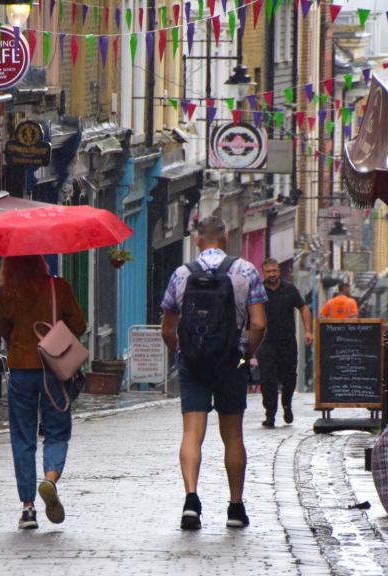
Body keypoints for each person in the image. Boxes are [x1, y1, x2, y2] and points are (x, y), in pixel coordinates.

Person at [160, 216, 267, 531]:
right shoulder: (246, 271)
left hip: (193, 363)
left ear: (197, 241)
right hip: (230, 361)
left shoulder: (181, 274)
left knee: (192, 433)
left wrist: (181, 354)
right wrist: (245, 356)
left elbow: (168, 328)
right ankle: (235, 507)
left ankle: (191, 500)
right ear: (226, 237)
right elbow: (259, 324)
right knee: (232, 435)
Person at [0, 255, 86, 530]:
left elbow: (4, 329)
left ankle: (28, 508)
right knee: (57, 430)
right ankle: (49, 479)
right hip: (53, 369)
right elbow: (80, 326)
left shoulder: (8, 291)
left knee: (23, 437)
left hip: (22, 369)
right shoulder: (57, 287)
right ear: (41, 262)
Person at [253, 258, 313, 428]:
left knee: (289, 377)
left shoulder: (290, 289)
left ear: (279, 271)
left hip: (287, 342)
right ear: (263, 273)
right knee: (267, 379)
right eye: (268, 272)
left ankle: (287, 404)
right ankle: (270, 414)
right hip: (265, 343)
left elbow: (303, 308)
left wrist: (308, 331)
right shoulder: (258, 291)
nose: (272, 274)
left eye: (274, 271)